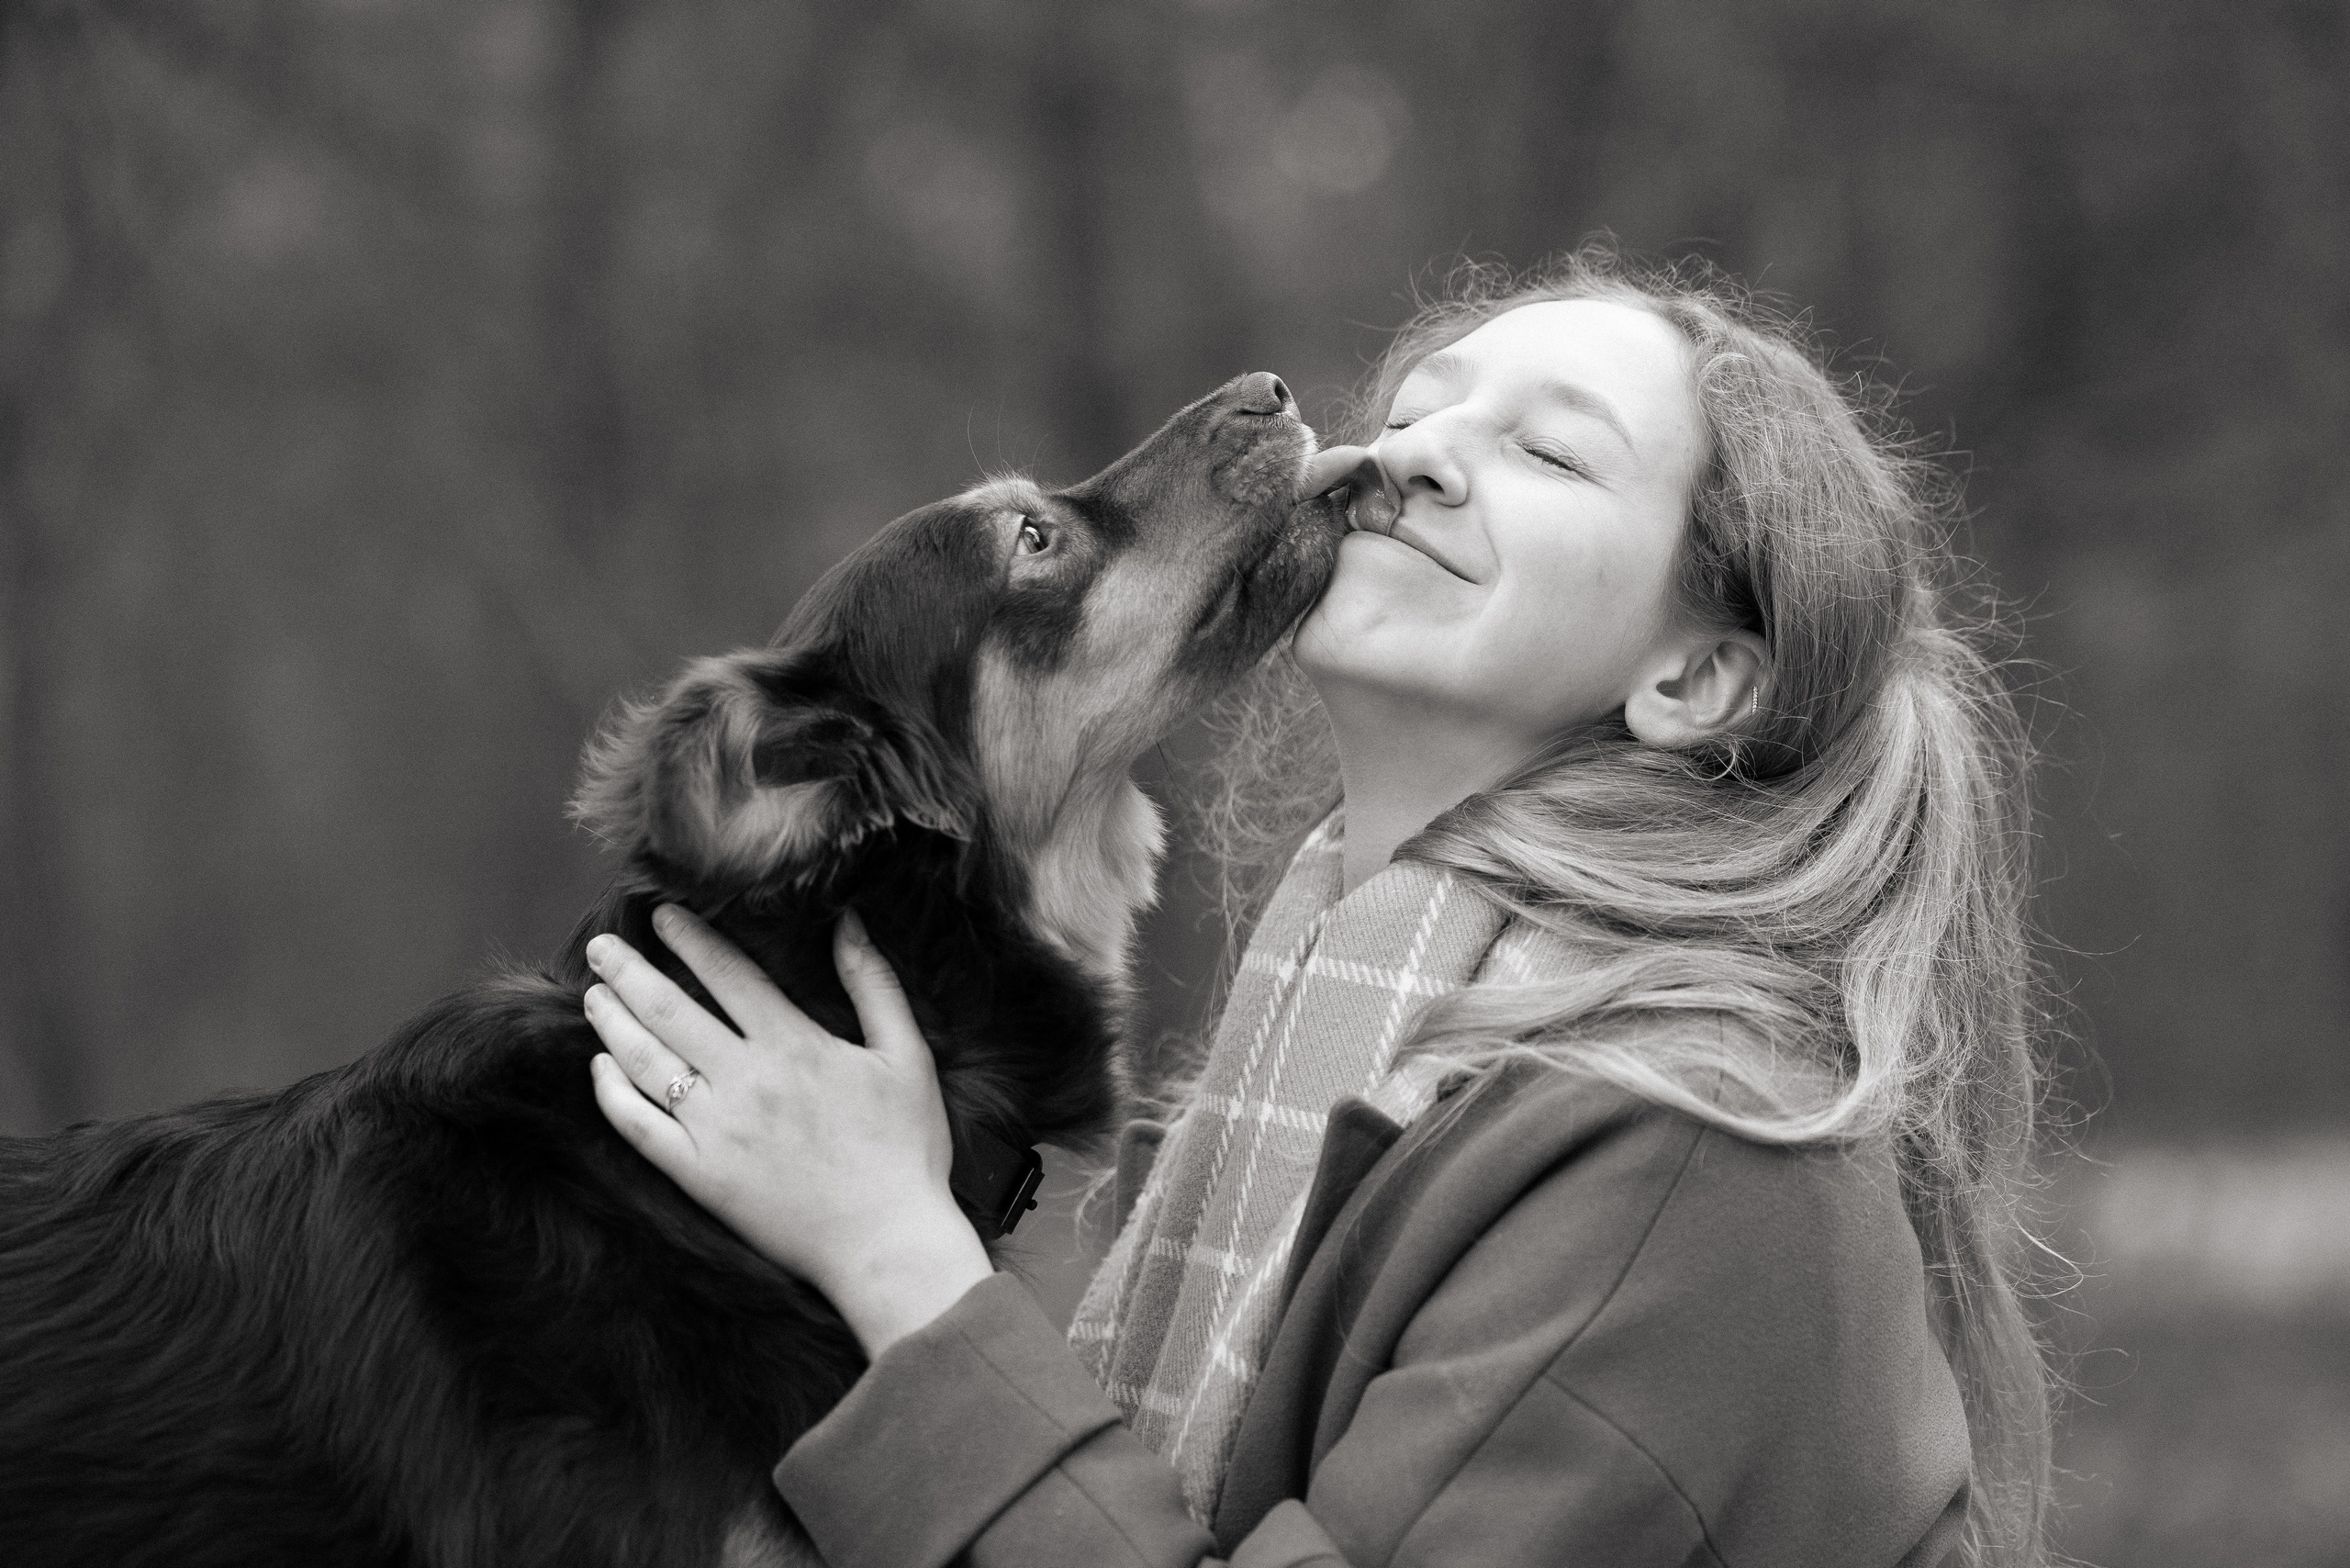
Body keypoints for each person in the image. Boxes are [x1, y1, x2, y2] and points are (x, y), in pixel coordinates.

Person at [578, 250, 2053, 1568]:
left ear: (1692, 681)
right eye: (1420, 405)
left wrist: (895, 1255)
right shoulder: (1308, 1081)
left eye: (1547, 450)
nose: (1411, 453)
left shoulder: (1694, 1147)